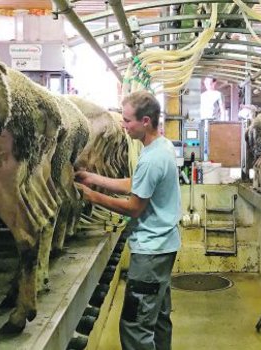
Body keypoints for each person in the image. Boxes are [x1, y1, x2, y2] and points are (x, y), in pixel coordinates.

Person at [75, 91, 181, 350]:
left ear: (146, 121)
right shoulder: (161, 146)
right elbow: (138, 185)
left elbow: (134, 207)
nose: (123, 126)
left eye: (127, 121)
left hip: (150, 253)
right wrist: (95, 179)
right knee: (157, 318)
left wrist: (93, 197)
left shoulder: (152, 158)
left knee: (135, 325)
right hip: (164, 246)